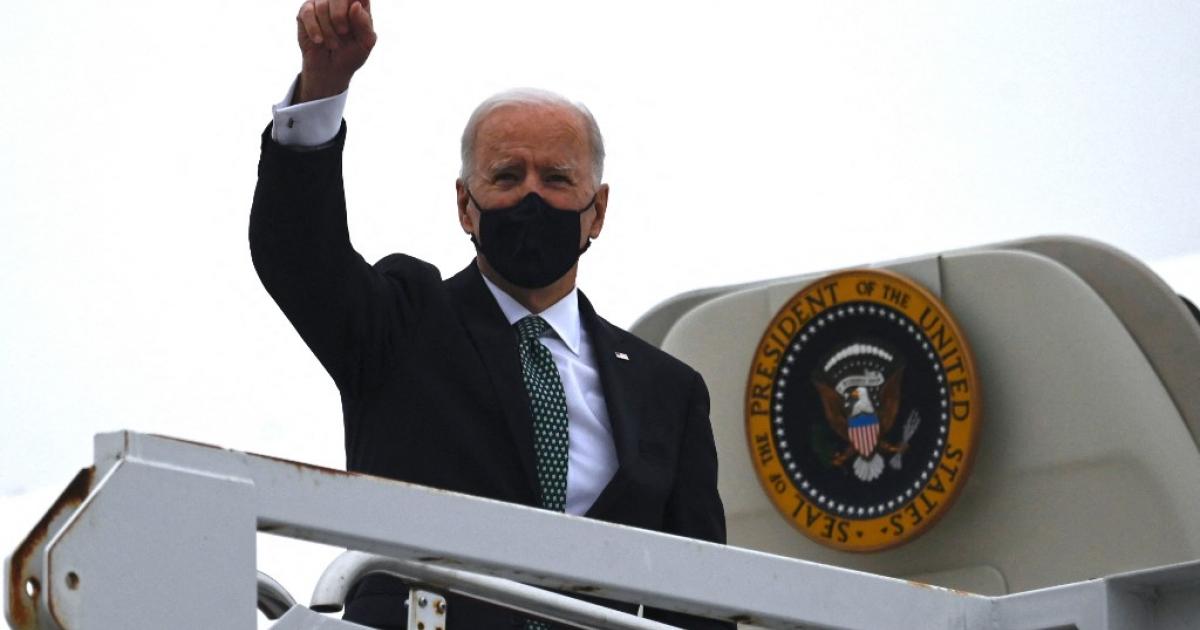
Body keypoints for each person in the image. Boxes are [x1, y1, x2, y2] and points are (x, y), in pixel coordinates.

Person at [249, 1, 732, 627]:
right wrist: (323, 87)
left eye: (556, 178)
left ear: (598, 210)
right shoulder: (403, 322)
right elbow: (297, 255)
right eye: (506, 176)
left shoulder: (668, 391)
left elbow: (699, 599)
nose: (532, 195)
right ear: (465, 205)